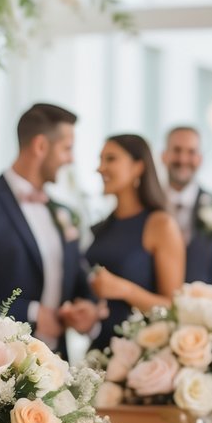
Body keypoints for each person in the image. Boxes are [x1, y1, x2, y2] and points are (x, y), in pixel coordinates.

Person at [0, 102, 98, 353]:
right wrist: (32, 313)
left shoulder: (63, 213)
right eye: (67, 148)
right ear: (41, 146)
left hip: (59, 366)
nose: (71, 159)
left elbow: (78, 279)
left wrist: (87, 307)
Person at [86, 134, 185, 350]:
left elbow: (174, 308)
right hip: (98, 351)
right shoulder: (103, 227)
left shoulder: (160, 224)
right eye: (100, 159)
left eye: (110, 159)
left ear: (138, 167)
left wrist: (124, 290)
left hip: (140, 353)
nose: (100, 168)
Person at [161, 125, 212, 284]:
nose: (183, 159)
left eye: (191, 152)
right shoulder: (148, 204)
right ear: (164, 156)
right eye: (177, 150)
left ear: (200, 159)